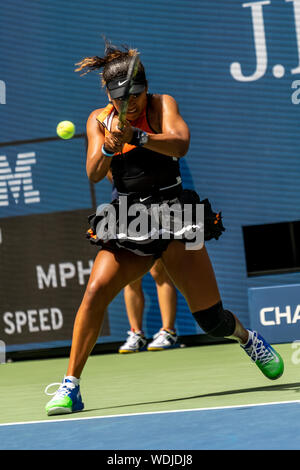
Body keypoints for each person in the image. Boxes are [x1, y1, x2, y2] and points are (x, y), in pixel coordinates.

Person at [45, 42, 284, 416]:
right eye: (124, 98)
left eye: (138, 95)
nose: (133, 104)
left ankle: (247, 338)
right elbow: (92, 171)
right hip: (128, 217)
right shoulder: (98, 119)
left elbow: (181, 143)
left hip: (174, 213)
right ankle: (70, 386)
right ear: (109, 95)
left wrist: (139, 137)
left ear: (146, 88)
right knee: (94, 291)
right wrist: (109, 147)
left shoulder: (162, 105)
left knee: (211, 319)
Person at [107, 173, 179, 353]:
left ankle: (168, 331)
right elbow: (107, 169)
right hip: (125, 204)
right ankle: (136, 334)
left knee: (159, 271)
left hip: (156, 201)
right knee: (130, 275)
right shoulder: (111, 146)